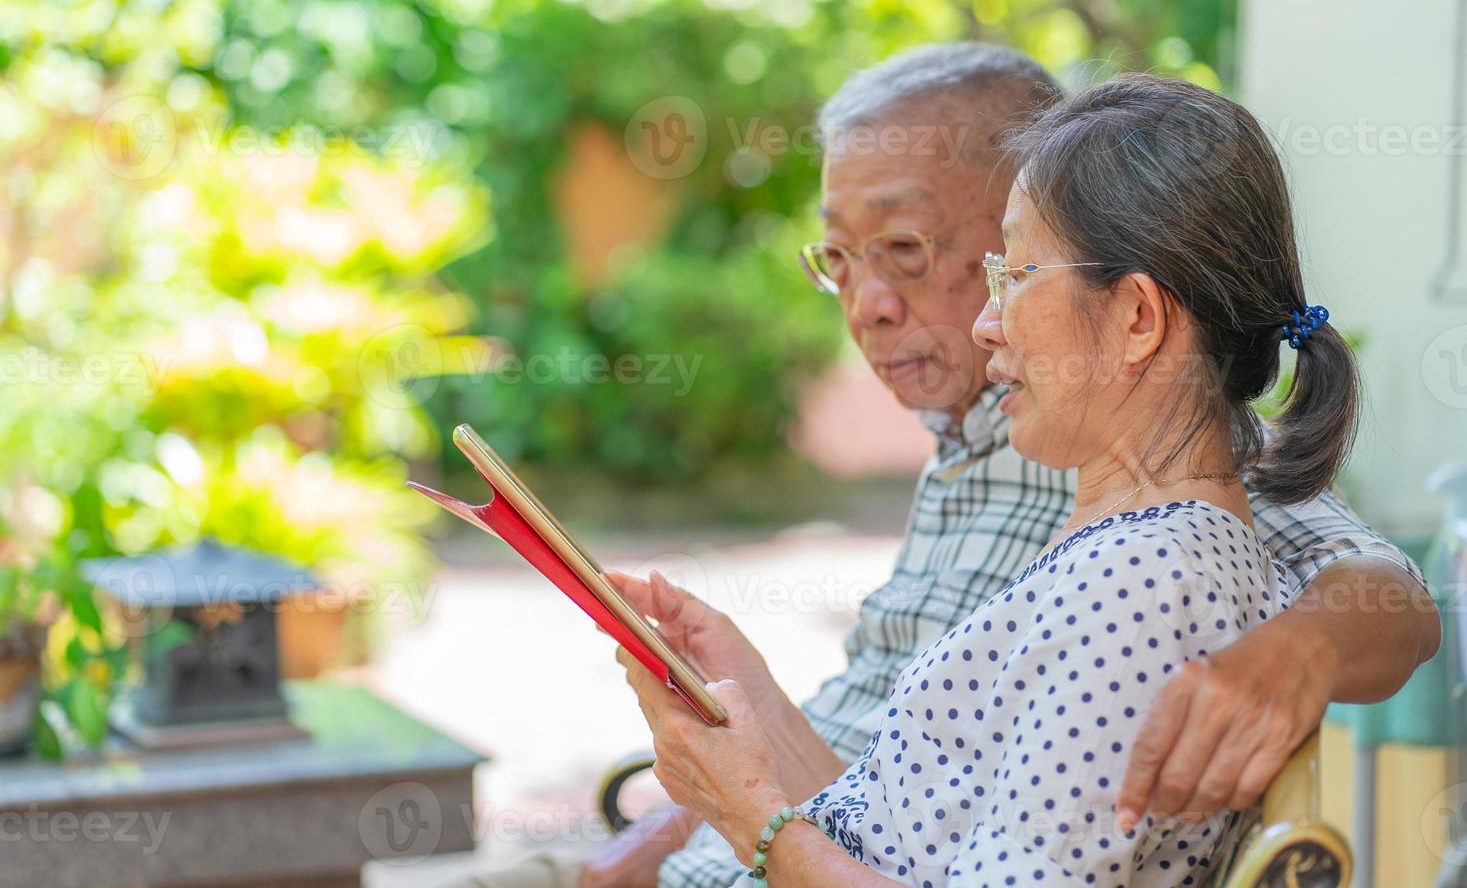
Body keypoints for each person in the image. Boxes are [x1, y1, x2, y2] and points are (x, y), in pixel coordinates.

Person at [442, 46, 1438, 888]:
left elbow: (1389, 596)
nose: (868, 301)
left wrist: (1294, 651)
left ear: (1132, 309)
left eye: (910, 248)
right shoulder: (995, 447)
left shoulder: (1155, 501)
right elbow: (905, 799)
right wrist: (723, 728)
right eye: (837, 258)